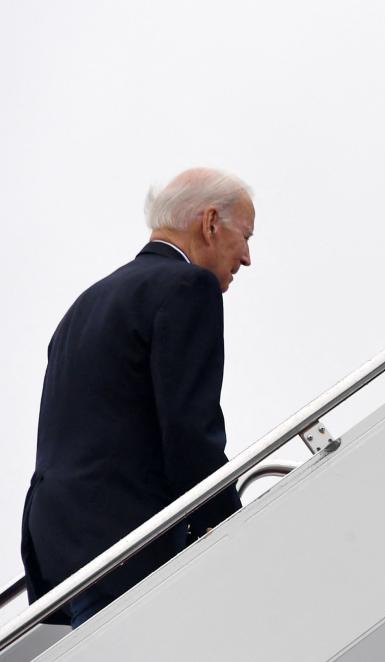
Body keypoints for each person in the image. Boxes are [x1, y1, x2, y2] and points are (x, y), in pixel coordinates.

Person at [20, 168, 253, 627]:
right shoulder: (188, 287)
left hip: (57, 548)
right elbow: (190, 429)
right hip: (127, 545)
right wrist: (237, 526)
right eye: (245, 236)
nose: (246, 257)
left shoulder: (85, 304)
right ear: (209, 223)